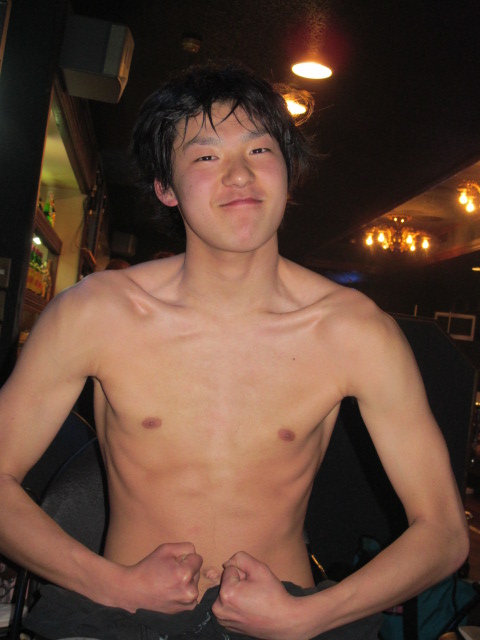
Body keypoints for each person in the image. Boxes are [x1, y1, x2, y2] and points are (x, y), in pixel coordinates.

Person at [0, 63, 469, 640]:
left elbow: (444, 532)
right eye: (205, 156)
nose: (240, 175)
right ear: (165, 187)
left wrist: (309, 614)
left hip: (287, 624)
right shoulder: (93, 314)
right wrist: (112, 585)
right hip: (123, 618)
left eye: (260, 150)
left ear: (288, 171)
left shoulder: (355, 332)